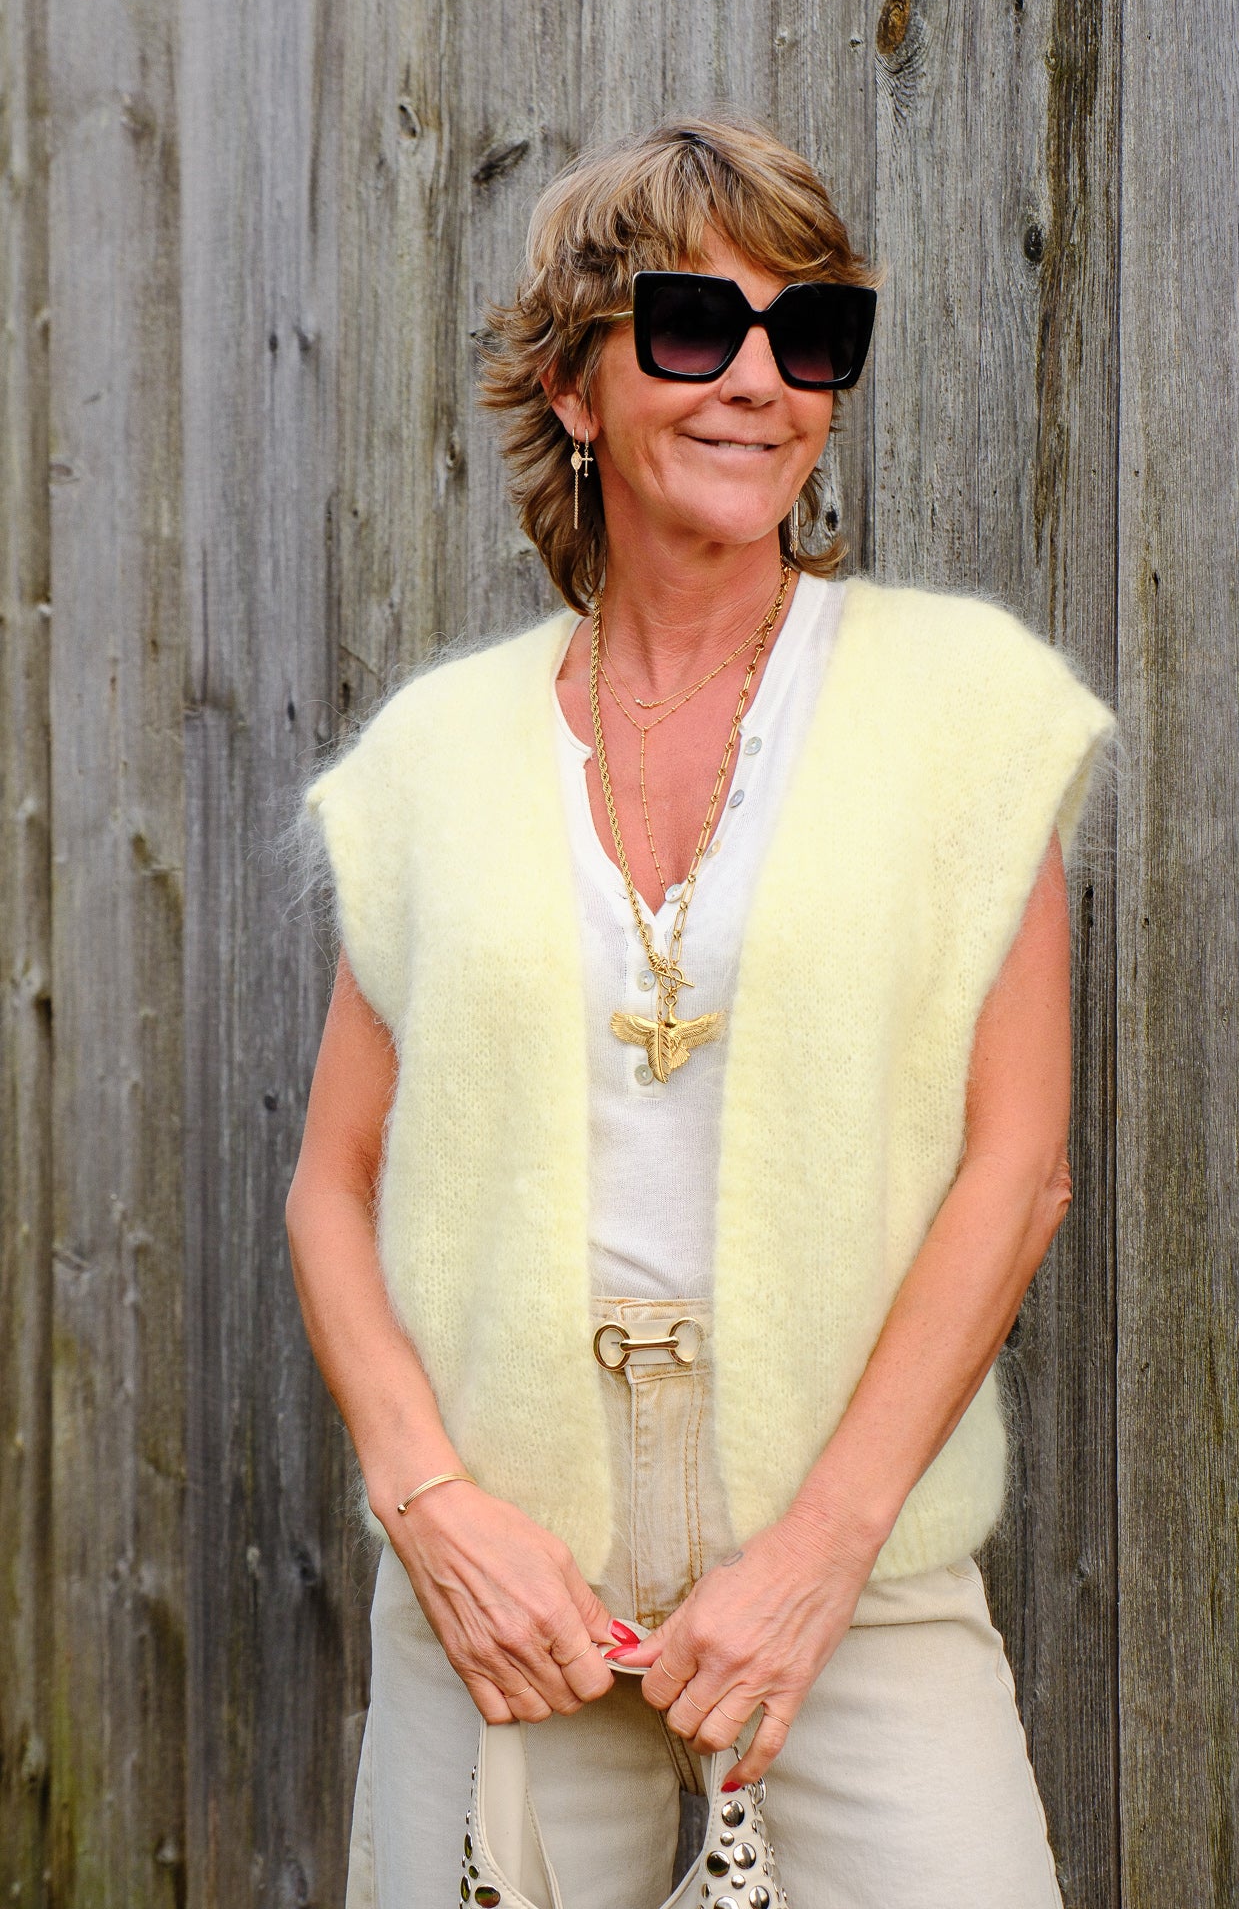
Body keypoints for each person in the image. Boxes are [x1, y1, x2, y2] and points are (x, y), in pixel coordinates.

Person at [286, 115, 1116, 1909]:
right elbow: (330, 1187)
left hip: (852, 1572)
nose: (756, 380)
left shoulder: (969, 713)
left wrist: (819, 1553)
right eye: (689, 325)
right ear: (571, 386)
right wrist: (433, 1509)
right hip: (505, 1590)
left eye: (808, 335)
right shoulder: (428, 762)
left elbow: (1018, 1167)